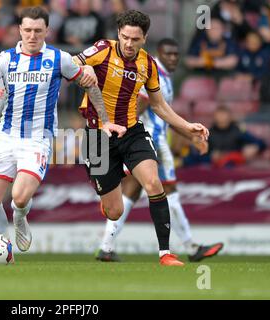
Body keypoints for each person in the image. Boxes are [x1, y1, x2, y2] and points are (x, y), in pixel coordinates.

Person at [0, 6, 125, 252]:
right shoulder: (5, 59)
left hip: (37, 139)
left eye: (37, 31)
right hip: (6, 136)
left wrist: (103, 120)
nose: (32, 35)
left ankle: (20, 217)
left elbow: (89, 84)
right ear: (19, 29)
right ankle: (2, 248)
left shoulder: (58, 58)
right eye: (27, 30)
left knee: (19, 197)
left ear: (47, 31)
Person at [74, 10, 209, 266]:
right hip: (97, 135)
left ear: (144, 38)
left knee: (153, 183)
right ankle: (110, 188)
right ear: (118, 34)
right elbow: (71, 63)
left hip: (132, 132)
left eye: (135, 39)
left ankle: (165, 254)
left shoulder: (148, 64)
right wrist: (81, 71)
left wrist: (187, 126)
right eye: (125, 37)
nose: (128, 43)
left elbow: (158, 106)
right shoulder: (102, 49)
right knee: (115, 211)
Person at [94, 38, 224, 263]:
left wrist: (190, 135)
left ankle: (106, 247)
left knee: (132, 193)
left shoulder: (163, 77)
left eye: (176, 54)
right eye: (168, 54)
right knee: (168, 189)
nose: (173, 58)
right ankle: (191, 247)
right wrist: (122, 135)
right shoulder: (154, 73)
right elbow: (141, 106)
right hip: (149, 142)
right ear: (158, 53)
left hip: (150, 140)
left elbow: (164, 113)